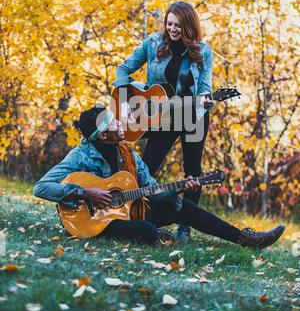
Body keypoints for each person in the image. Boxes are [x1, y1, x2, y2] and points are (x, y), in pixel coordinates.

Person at [34, 106, 285, 249]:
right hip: (94, 221)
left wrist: (178, 188)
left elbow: (152, 189)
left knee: (184, 208)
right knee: (145, 230)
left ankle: (245, 238)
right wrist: (84, 192)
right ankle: (153, 234)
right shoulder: (79, 156)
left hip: (131, 209)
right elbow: (41, 187)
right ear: (101, 135)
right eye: (112, 122)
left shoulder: (127, 154)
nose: (120, 122)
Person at [114, 1, 214, 241]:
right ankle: (131, 215)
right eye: (169, 24)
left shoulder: (204, 51)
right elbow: (123, 69)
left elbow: (205, 88)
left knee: (192, 171)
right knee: (146, 167)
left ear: (189, 26)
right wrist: (126, 100)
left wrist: (206, 100)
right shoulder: (152, 44)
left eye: (178, 25)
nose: (172, 29)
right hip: (163, 116)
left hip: (193, 116)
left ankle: (185, 226)